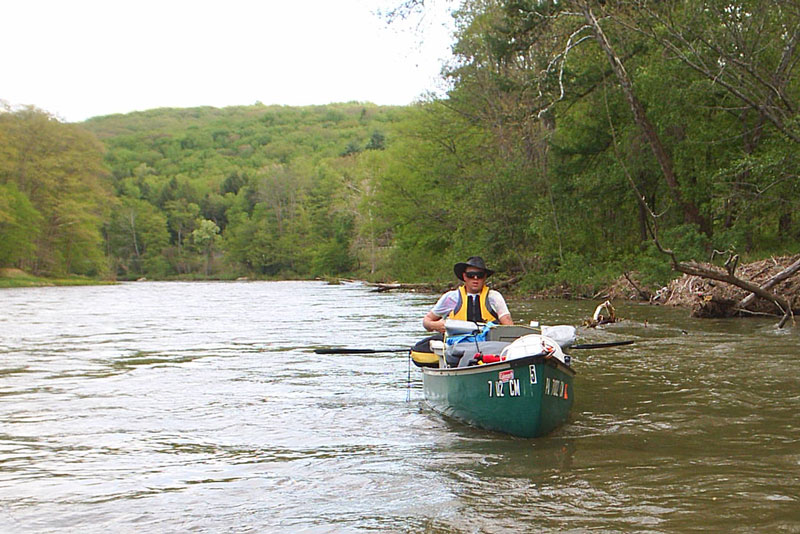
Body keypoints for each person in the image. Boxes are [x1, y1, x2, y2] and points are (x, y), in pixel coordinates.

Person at [422, 256, 513, 334]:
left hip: (488, 343)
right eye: (471, 275)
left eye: (480, 275)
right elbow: (426, 321)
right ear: (464, 276)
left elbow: (508, 323)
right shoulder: (451, 298)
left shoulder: (494, 297)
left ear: (485, 277)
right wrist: (434, 325)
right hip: (457, 343)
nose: (475, 278)